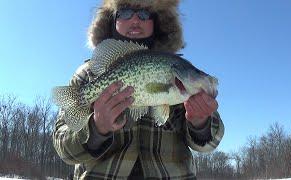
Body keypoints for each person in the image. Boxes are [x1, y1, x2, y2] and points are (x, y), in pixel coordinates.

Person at [53, 0, 224, 179]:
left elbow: (210, 144)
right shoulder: (87, 75)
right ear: (113, 18)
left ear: (156, 21)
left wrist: (200, 124)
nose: (135, 20)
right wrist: (96, 128)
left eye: (144, 13)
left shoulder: (178, 73)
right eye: (125, 12)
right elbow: (63, 149)